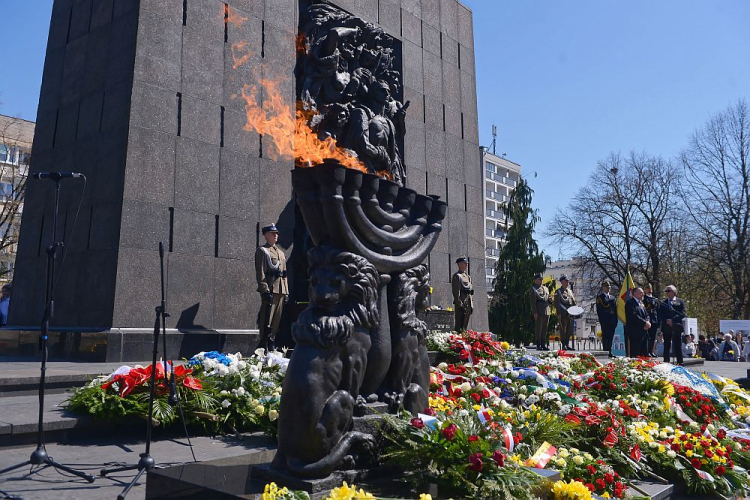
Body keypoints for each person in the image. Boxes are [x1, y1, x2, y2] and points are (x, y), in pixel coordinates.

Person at [255, 223, 288, 351]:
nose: (276, 235)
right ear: (266, 235)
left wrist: (286, 291)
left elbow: (284, 274)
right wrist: (264, 290)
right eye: (273, 233)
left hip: (281, 289)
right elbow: (260, 272)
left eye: (277, 233)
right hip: (270, 289)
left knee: (276, 319)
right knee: (266, 318)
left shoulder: (281, 253)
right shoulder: (263, 251)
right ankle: (263, 342)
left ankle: (271, 341)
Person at [660, 285, 686, 365]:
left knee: (677, 345)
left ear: (674, 292)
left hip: (676, 326)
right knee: (667, 345)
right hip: (666, 326)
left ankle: (680, 362)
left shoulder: (680, 301)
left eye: (669, 291)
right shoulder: (663, 303)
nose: (667, 293)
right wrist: (667, 320)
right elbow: (660, 314)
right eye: (666, 291)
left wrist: (673, 320)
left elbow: (683, 313)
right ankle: (666, 362)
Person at [625, 287, 651, 358]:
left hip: (644, 332)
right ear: (635, 294)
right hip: (635, 332)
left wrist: (648, 321)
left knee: (644, 354)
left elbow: (646, 314)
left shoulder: (641, 303)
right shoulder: (630, 303)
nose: (642, 294)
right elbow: (633, 316)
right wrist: (644, 323)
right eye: (640, 293)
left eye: (643, 292)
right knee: (636, 354)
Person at [529, 273, 552, 351]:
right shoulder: (533, 289)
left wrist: (550, 300)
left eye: (542, 279)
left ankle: (543, 344)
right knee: (539, 328)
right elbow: (532, 302)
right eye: (539, 279)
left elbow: (548, 300)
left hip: (546, 310)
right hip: (539, 310)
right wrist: (534, 312)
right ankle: (538, 344)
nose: (541, 280)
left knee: (545, 329)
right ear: (535, 280)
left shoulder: (546, 289)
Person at [595, 280, 618, 355]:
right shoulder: (600, 297)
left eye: (609, 286)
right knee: (605, 336)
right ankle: (605, 351)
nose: (608, 288)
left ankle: (610, 351)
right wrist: (602, 321)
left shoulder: (612, 297)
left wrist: (615, 320)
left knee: (611, 336)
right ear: (603, 288)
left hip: (612, 320)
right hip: (605, 320)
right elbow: (599, 311)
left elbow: (615, 310)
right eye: (606, 286)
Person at [554, 274, 576, 351]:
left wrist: (575, 311)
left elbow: (573, 302)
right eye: (566, 281)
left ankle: (567, 344)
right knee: (563, 329)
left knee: (569, 330)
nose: (567, 282)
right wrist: (559, 314)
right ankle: (563, 345)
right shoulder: (558, 291)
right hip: (563, 313)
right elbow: (556, 303)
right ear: (562, 282)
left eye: (567, 281)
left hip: (570, 313)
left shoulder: (570, 291)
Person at [451, 256, 473, 332]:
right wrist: (459, 302)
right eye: (464, 263)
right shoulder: (457, 276)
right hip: (461, 301)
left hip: (468, 300)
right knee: (459, 322)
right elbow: (455, 291)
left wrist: (471, 302)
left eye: (467, 263)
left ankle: (464, 335)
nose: (466, 265)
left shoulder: (468, 276)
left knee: (465, 322)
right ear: (459, 264)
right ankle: (457, 338)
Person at [642, 284, 660, 357]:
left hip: (654, 319)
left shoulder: (655, 299)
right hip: (648, 319)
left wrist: (659, 320)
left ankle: (651, 351)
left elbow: (658, 310)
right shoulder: (644, 299)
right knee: (647, 336)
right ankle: (646, 352)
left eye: (650, 288)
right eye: (647, 288)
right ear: (645, 290)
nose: (649, 289)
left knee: (653, 337)